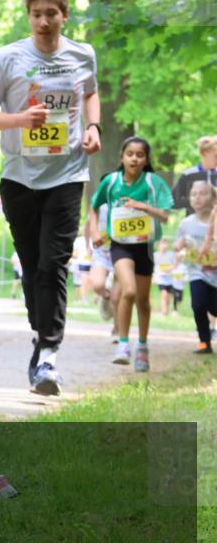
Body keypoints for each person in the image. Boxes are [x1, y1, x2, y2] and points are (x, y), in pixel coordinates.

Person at [0, 0, 101, 395]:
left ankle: (48, 353)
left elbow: (91, 92)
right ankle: (41, 335)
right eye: (37, 14)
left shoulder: (83, 55)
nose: (44, 21)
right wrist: (20, 120)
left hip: (67, 175)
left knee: (53, 264)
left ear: (65, 15)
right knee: (32, 266)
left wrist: (93, 127)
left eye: (52, 12)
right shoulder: (8, 58)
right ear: (28, 17)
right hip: (20, 177)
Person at [89, 137, 173, 372]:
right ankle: (123, 345)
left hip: (144, 246)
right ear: (122, 157)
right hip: (120, 245)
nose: (134, 158)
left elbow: (165, 216)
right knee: (128, 290)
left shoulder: (153, 182)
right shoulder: (112, 181)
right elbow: (93, 207)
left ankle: (143, 347)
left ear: (146, 159)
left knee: (143, 302)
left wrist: (144, 207)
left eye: (140, 155)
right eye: (130, 154)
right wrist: (95, 231)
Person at [174, 180, 217, 354]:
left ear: (213, 198)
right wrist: (179, 246)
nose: (197, 197)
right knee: (198, 305)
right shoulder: (186, 223)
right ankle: (204, 342)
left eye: (202, 193)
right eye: (194, 194)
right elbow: (178, 245)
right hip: (196, 272)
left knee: (214, 308)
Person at [86, 203, 119, 341]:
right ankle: (106, 297)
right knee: (97, 285)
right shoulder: (99, 207)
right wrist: (87, 245)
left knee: (118, 296)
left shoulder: (122, 204)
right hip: (101, 253)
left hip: (119, 252)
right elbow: (87, 226)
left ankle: (117, 330)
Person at [171, 135, 217, 215]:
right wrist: (194, 200)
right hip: (194, 224)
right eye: (216, 156)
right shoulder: (189, 174)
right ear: (204, 153)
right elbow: (172, 202)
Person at [153, 238, 178, 316]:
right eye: (162, 244)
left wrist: (169, 269)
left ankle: (166, 309)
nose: (164, 246)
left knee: (168, 295)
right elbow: (154, 266)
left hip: (169, 278)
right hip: (160, 278)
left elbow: (175, 264)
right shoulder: (155, 255)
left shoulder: (171, 254)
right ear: (159, 245)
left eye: (165, 244)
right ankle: (164, 312)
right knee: (164, 294)